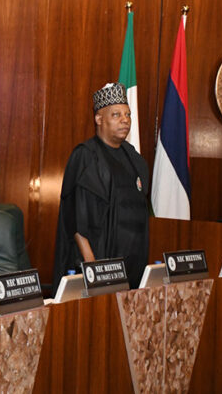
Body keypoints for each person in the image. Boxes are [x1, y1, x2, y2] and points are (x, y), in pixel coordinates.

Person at [52, 82, 150, 290]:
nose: (125, 120)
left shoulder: (134, 158)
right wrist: (93, 270)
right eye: (116, 115)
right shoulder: (85, 157)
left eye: (128, 115)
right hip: (97, 269)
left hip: (132, 268)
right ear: (99, 119)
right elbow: (76, 222)